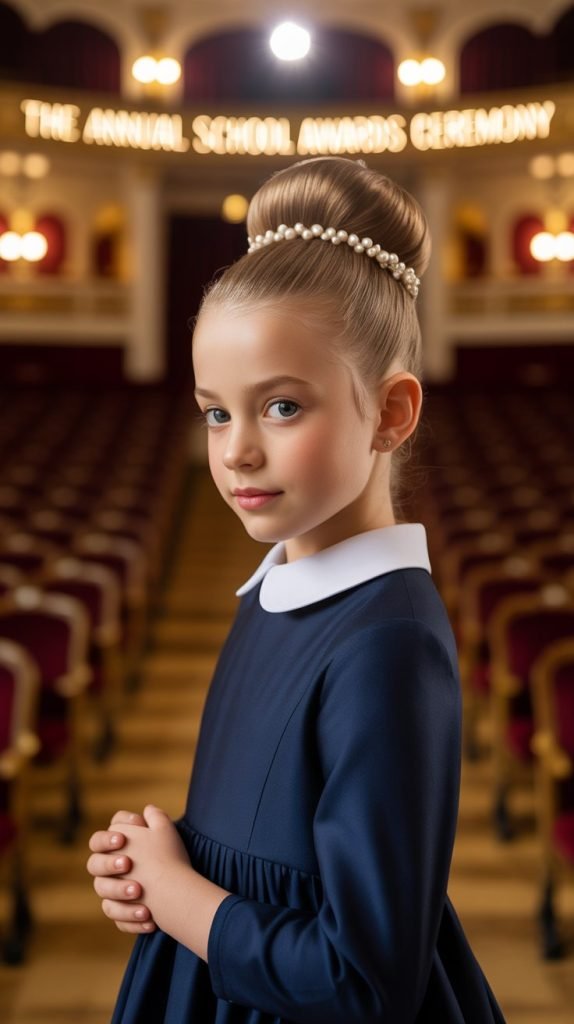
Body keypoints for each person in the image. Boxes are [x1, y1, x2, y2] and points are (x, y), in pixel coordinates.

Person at [87, 155, 506, 1023]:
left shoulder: (386, 645)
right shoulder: (272, 588)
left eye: (281, 406)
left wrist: (181, 899)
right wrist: (159, 870)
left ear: (390, 412)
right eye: (215, 411)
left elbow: (362, 981)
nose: (237, 450)